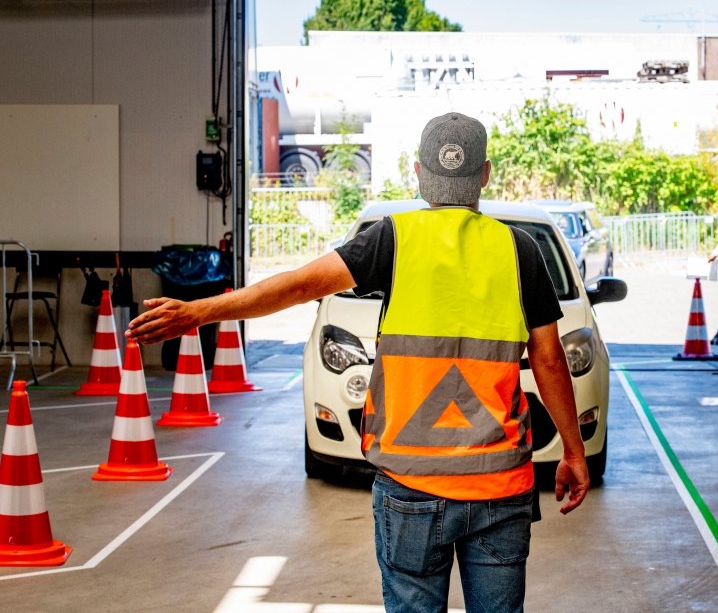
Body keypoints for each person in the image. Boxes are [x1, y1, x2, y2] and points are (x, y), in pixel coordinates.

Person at [126, 112, 589, 613]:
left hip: (409, 486)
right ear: (484, 174)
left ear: (418, 171)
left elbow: (298, 285)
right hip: (499, 486)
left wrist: (199, 311)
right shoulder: (519, 250)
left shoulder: (393, 239)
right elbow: (549, 359)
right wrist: (573, 451)